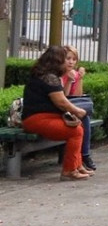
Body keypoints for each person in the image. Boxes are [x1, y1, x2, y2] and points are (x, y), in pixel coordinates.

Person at [22, 45, 91, 180]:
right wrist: (78, 111)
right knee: (75, 131)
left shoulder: (45, 75)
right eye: (65, 59)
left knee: (78, 128)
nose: (68, 62)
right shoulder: (50, 78)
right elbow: (61, 102)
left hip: (42, 117)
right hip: (37, 119)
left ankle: (77, 165)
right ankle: (69, 170)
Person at [61, 46, 97, 171]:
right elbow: (62, 98)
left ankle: (84, 155)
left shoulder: (74, 74)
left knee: (84, 116)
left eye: (74, 59)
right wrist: (69, 81)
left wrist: (79, 78)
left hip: (72, 107)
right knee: (83, 117)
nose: (71, 62)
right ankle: (85, 155)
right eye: (68, 58)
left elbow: (77, 96)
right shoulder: (58, 75)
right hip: (61, 108)